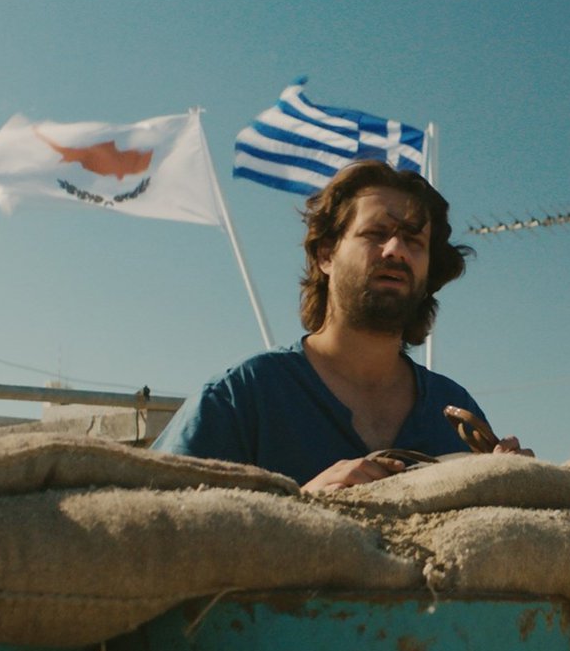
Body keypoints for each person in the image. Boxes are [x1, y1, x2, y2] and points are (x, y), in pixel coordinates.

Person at [155, 160, 530, 490]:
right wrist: (299, 505)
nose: (396, 250)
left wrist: (519, 484)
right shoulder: (241, 399)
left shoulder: (453, 412)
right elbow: (153, 522)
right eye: (376, 234)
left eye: (415, 240)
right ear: (326, 255)